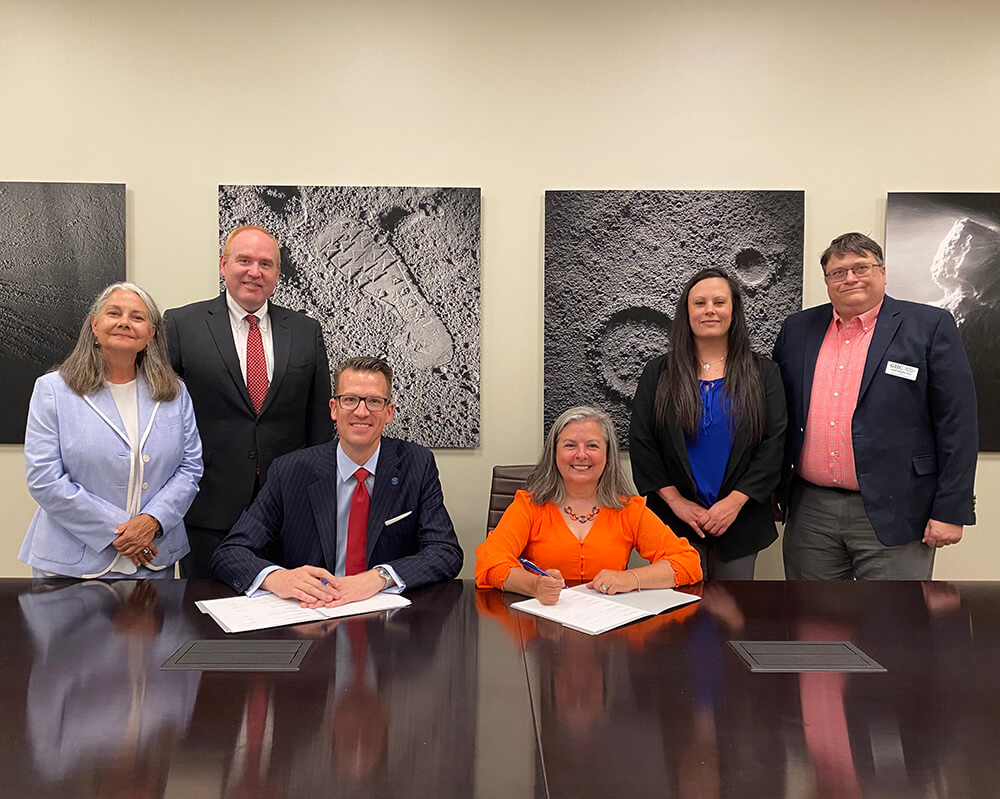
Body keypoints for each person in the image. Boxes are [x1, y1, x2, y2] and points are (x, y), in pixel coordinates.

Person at [772, 232, 978, 579]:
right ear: (827, 282)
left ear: (882, 272)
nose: (850, 278)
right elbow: (777, 415)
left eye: (861, 267)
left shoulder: (928, 326)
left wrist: (951, 510)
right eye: (838, 272)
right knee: (812, 622)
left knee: (894, 623)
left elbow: (958, 424)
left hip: (898, 506)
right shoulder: (798, 328)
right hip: (811, 511)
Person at [211, 356, 463, 604]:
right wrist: (278, 578)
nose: (361, 411)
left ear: (389, 412)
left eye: (374, 401)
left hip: (385, 615)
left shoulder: (417, 465)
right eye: (350, 399)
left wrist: (379, 577)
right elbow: (230, 553)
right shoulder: (289, 471)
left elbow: (445, 552)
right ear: (334, 408)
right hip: (310, 614)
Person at [164, 225, 333, 578]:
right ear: (223, 264)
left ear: (277, 274)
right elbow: (164, 419)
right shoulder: (182, 324)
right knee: (205, 618)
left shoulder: (306, 330)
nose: (255, 272)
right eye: (244, 260)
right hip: (207, 507)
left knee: (289, 619)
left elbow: (319, 425)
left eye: (266, 264)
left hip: (288, 509)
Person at [21, 283, 203, 579]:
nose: (124, 322)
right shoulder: (53, 389)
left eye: (137, 317)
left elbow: (190, 467)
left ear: (151, 333)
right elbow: (44, 479)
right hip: (71, 565)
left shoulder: (174, 392)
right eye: (114, 313)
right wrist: (119, 532)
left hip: (152, 561)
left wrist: (152, 521)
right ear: (95, 324)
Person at [629, 268, 787, 579]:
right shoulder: (658, 373)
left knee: (735, 616)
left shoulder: (764, 373)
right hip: (674, 520)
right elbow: (642, 442)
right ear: (686, 312)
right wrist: (677, 503)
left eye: (719, 302)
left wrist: (734, 502)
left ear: (734, 310)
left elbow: (775, 442)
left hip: (741, 519)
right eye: (699, 303)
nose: (710, 310)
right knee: (678, 616)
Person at [475, 406, 702, 605]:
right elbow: (489, 563)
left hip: (608, 632)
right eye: (570, 445)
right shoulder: (528, 506)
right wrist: (534, 585)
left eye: (592, 446)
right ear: (554, 453)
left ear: (607, 454)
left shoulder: (629, 509)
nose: (581, 455)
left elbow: (687, 563)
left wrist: (630, 579)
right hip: (541, 629)